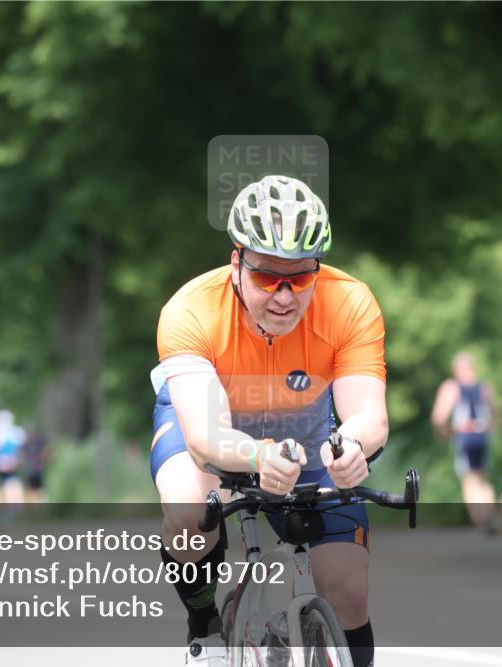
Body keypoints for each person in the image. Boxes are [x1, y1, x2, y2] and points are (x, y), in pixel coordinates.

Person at [151, 175, 387, 666]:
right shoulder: (190, 310)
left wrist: (351, 447)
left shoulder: (350, 302)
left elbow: (368, 413)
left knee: (348, 588)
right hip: (212, 418)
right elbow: (204, 437)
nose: (284, 296)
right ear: (237, 262)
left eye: (300, 278)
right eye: (266, 278)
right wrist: (257, 456)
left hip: (305, 428)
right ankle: (204, 626)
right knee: (189, 514)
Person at [431, 352, 499, 533]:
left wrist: (445, 433)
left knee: (469, 479)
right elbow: (495, 413)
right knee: (483, 478)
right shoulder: (485, 387)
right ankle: (490, 514)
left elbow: (438, 417)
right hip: (483, 435)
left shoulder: (451, 387)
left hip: (464, 436)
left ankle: (481, 518)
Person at [0, 409, 26, 504]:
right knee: (10, 485)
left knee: (7, 486)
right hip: (9, 465)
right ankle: (12, 508)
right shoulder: (17, 432)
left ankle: (9, 509)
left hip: (5, 465)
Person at [22, 427, 50, 503]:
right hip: (31, 470)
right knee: (32, 491)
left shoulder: (40, 442)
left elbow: (46, 453)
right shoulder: (26, 444)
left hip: (39, 470)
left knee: (41, 490)